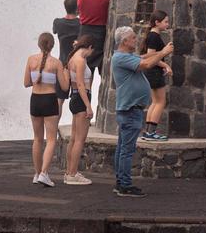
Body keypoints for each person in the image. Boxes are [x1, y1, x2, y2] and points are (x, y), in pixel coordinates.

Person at [109, 24, 174, 197]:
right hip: (131, 110)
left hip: (129, 109)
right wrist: (163, 53)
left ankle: (121, 183)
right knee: (126, 150)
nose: (135, 39)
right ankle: (124, 185)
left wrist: (158, 56)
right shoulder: (122, 58)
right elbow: (144, 64)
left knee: (123, 148)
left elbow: (143, 57)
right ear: (124, 41)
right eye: (132, 38)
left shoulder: (125, 56)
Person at [24, 32, 69, 187]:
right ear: (52, 45)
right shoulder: (56, 63)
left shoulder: (31, 60)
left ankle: (37, 174)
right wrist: (66, 74)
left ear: (39, 44)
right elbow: (64, 87)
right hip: (49, 100)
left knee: (37, 138)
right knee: (51, 139)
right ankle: (44, 173)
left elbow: (26, 83)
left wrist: (37, 79)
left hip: (35, 100)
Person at [62, 33, 97, 185]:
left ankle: (69, 172)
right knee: (79, 140)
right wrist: (89, 106)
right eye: (92, 51)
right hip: (82, 99)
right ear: (89, 47)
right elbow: (82, 85)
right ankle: (73, 174)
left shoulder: (72, 58)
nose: (91, 54)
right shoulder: (81, 60)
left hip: (74, 98)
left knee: (74, 138)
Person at [139, 10, 173, 141]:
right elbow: (151, 55)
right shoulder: (154, 36)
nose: (167, 24)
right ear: (157, 22)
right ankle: (151, 133)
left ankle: (148, 132)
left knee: (155, 102)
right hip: (154, 72)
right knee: (160, 102)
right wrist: (166, 65)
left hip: (152, 72)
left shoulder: (153, 35)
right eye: (165, 22)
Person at [76, 0, 111, 74]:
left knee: (86, 69)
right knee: (102, 69)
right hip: (100, 33)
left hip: (84, 32)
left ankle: (86, 90)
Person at [52, 0, 80, 108]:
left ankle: (54, 125)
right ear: (78, 8)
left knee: (59, 99)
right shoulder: (81, 24)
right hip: (77, 64)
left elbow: (54, 31)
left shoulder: (58, 23)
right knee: (78, 97)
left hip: (62, 63)